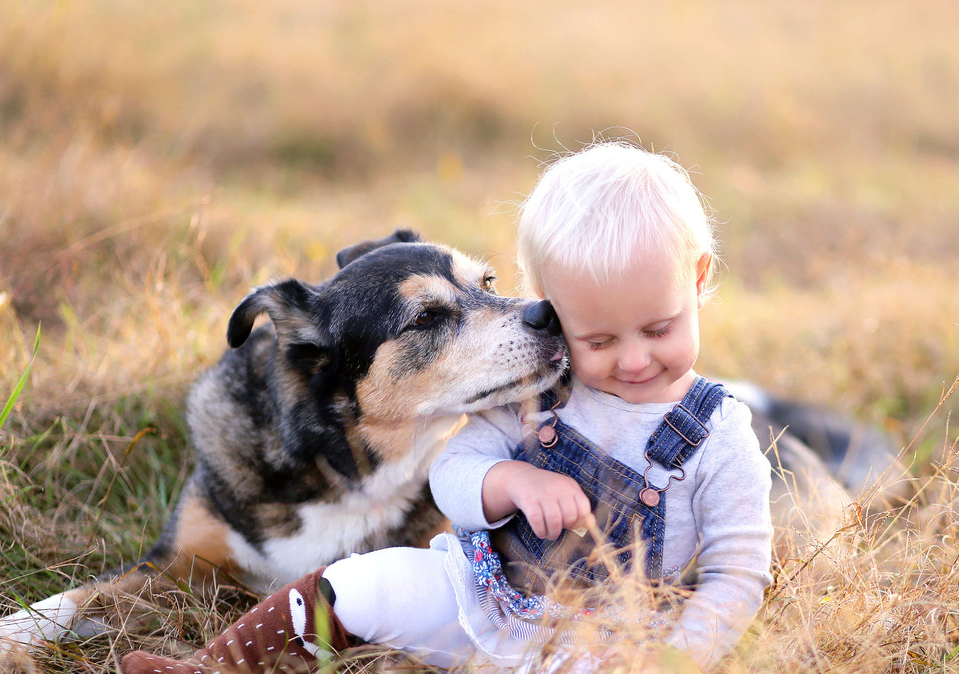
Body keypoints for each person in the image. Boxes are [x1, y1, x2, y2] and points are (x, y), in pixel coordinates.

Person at [120, 141, 773, 673]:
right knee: (365, 585)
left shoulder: (719, 431)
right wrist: (508, 479)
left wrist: (676, 659)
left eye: (656, 330)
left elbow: (739, 571)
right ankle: (208, 667)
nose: (631, 362)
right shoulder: (536, 397)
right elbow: (455, 474)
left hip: (603, 640)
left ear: (697, 282)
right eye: (596, 338)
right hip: (478, 598)